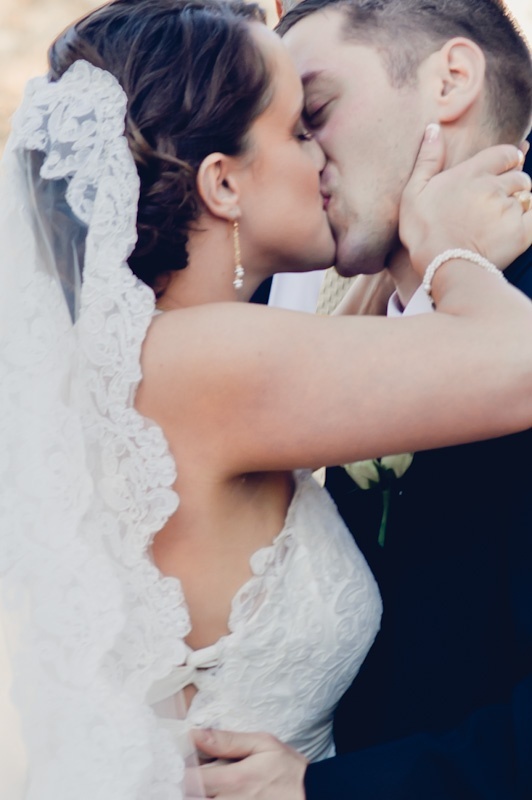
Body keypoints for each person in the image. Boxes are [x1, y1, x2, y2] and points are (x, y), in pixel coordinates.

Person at [2, 1, 532, 798]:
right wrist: (447, 246)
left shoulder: (173, 352)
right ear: (223, 182)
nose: (318, 158)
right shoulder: (201, 362)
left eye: (318, 116)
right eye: (297, 128)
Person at [193, 1, 532, 798]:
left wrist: (324, 791)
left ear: (451, 80)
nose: (306, 161)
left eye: (315, 113)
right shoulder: (343, 327)